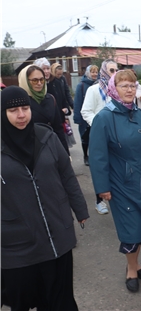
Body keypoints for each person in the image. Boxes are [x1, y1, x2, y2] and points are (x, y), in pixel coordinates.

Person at [1, 86, 89, 311]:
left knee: (60, 300)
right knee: (22, 300)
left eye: (25, 108)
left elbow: (67, 176)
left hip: (56, 236)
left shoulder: (46, 136)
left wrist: (80, 210)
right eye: (13, 110)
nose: (21, 115)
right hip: (17, 245)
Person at [88, 70, 141, 293]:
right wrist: (102, 188)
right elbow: (97, 156)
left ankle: (136, 263)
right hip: (120, 184)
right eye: (124, 85)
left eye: (133, 85)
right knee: (131, 228)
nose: (129, 90)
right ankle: (131, 269)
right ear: (114, 88)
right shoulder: (104, 118)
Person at [81, 58, 117, 215]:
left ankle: (116, 197)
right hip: (100, 135)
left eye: (117, 70)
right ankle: (99, 201)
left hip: (116, 135)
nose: (115, 73)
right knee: (100, 168)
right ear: (104, 71)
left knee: (115, 167)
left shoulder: (118, 89)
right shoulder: (94, 90)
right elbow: (85, 111)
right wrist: (97, 125)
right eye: (111, 70)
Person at [18, 65, 70, 154]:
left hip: (52, 148)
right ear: (26, 81)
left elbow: (58, 129)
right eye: (34, 80)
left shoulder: (50, 99)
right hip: (31, 151)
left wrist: (65, 153)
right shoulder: (19, 102)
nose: (39, 83)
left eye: (42, 79)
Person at [74, 65, 98, 165]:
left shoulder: (99, 84)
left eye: (96, 72)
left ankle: (94, 155)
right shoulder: (82, 85)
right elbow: (77, 102)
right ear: (88, 73)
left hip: (96, 114)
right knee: (85, 137)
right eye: (92, 72)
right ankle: (85, 156)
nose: (95, 74)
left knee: (96, 137)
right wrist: (78, 118)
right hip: (85, 117)